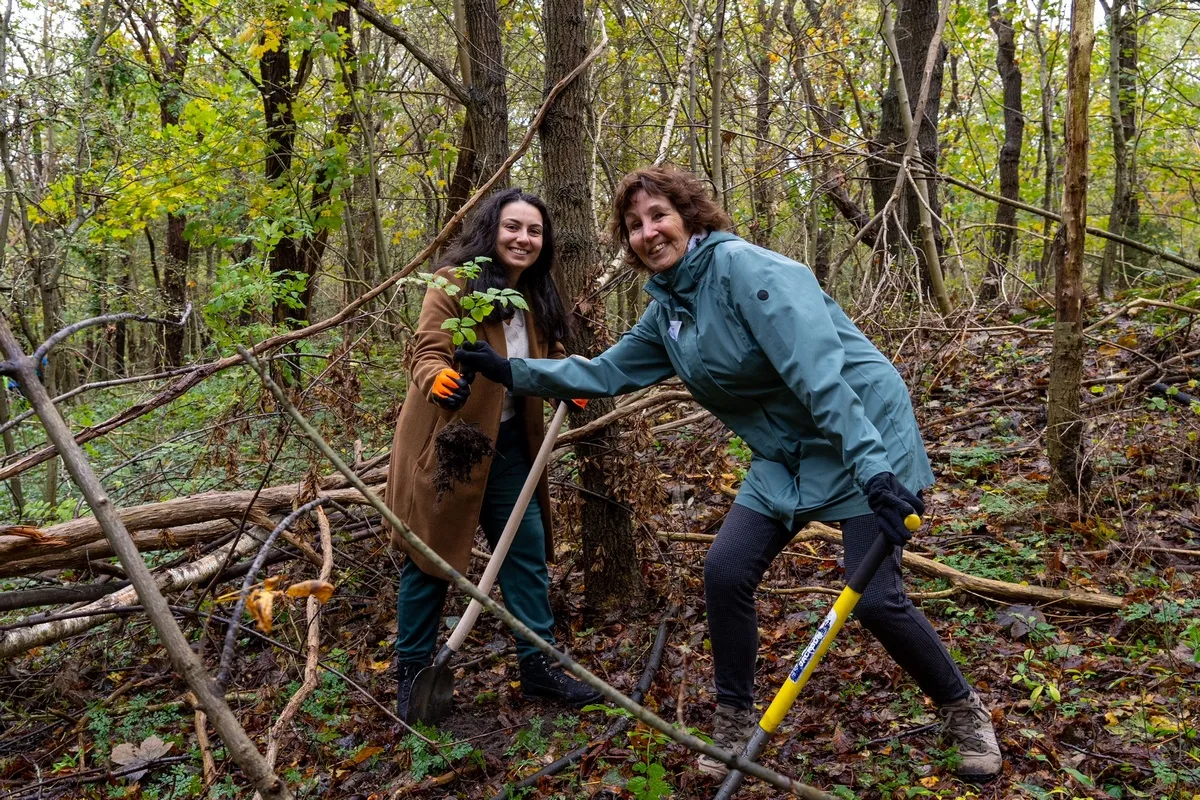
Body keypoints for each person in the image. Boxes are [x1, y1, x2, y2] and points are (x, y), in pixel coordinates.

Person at [456, 166, 1002, 780]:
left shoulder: (749, 272)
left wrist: (876, 473)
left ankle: (963, 709)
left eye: (658, 215)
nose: (648, 232)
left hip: (860, 436)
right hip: (786, 455)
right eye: (634, 225)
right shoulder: (668, 310)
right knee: (726, 571)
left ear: (691, 215)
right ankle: (736, 722)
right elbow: (605, 374)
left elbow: (822, 379)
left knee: (875, 599)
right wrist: (512, 373)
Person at [384, 188, 602, 720]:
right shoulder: (453, 282)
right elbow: (427, 347)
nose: (523, 239)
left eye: (534, 231)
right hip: (450, 445)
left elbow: (549, 355)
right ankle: (412, 674)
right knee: (431, 559)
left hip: (509, 448)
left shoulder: (540, 292)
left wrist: (568, 379)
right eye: (513, 227)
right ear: (491, 230)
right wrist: (438, 381)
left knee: (524, 552)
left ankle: (539, 667)